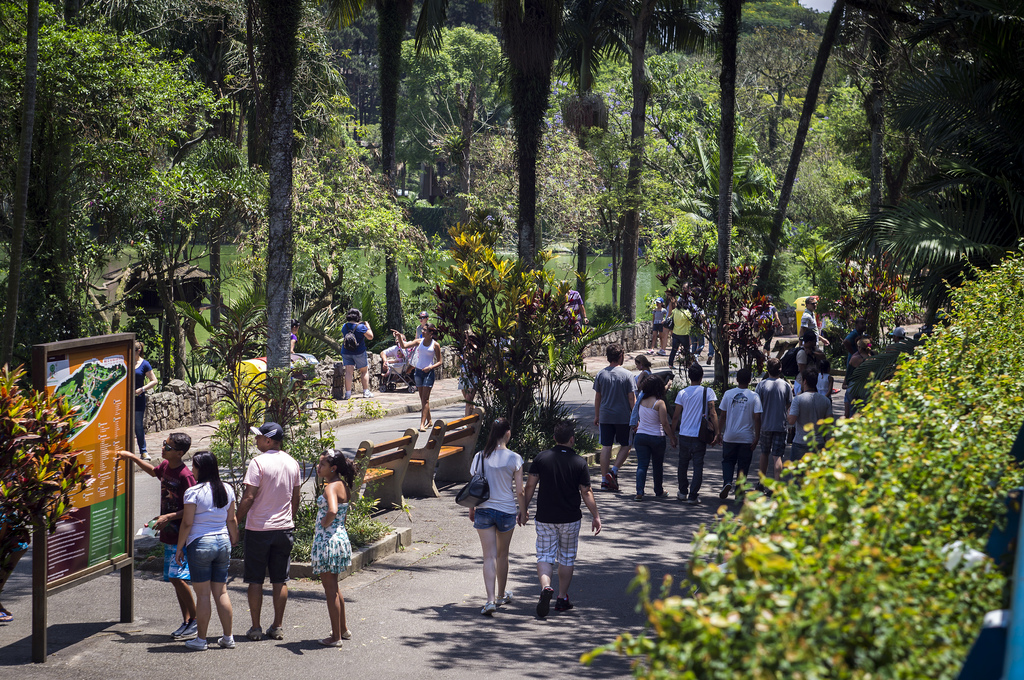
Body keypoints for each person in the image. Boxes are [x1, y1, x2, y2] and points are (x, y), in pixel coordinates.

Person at [116, 433, 197, 640]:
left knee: (177, 577)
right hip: (169, 533)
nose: (163, 448)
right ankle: (187, 621)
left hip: (182, 535)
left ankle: (195, 621)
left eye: (167, 447)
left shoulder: (185, 475)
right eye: (163, 444)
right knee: (174, 579)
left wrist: (169, 516)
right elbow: (153, 472)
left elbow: (192, 509)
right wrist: (133, 458)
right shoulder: (166, 467)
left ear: (180, 453)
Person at [521, 420, 601, 617]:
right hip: (570, 518)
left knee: (544, 555)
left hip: (545, 517)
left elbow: (529, 486)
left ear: (555, 438)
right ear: (572, 439)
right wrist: (596, 515)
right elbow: (586, 491)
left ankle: (546, 587)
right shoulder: (579, 462)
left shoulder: (541, 458)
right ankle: (562, 597)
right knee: (566, 557)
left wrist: (523, 509)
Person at [235, 422, 301, 642]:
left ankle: (255, 628)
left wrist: (235, 520)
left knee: (255, 580)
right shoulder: (292, 463)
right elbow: (296, 497)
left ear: (269, 440)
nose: (256, 440)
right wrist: (289, 518)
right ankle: (278, 626)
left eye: (259, 437)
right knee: (280, 580)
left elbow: (249, 497)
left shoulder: (258, 463)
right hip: (284, 529)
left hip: (259, 529)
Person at [175, 451, 238, 651]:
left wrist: (179, 547)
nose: (192, 469)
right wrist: (234, 538)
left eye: (194, 466)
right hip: (223, 542)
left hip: (201, 543)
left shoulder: (193, 492)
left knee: (203, 595)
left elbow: (187, 522)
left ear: (201, 469)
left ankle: (201, 640)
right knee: (221, 592)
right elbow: (231, 519)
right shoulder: (227, 488)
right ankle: (228, 638)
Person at [467, 418, 524, 616]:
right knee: (502, 555)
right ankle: (501, 595)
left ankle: (490, 600)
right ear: (508, 433)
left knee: (488, 556)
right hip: (507, 510)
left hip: (483, 509)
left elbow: (475, 486)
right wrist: (523, 511)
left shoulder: (480, 457)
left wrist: (471, 508)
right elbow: (520, 491)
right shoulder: (514, 458)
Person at [312, 450, 356, 646]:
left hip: (328, 541)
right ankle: (343, 629)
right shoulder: (343, 486)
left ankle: (336, 636)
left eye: (322, 464)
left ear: (333, 468)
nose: (318, 467)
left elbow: (333, 510)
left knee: (330, 591)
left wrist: (323, 524)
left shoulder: (330, 487)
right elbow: (342, 515)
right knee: (335, 588)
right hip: (340, 538)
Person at [671, 363, 718, 505]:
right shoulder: (707, 392)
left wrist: (672, 435)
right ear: (702, 376)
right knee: (698, 466)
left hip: (685, 434)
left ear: (689, 377)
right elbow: (713, 413)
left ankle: (682, 492)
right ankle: (693, 495)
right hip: (699, 435)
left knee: (682, 464)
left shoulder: (682, 393)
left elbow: (675, 416)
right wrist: (717, 432)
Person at [593, 344, 635, 491]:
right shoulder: (627, 375)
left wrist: (597, 415)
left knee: (606, 446)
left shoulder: (600, 374)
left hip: (605, 416)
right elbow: (631, 399)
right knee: (626, 445)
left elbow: (597, 398)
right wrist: (635, 417)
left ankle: (604, 481)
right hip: (623, 417)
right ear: (620, 356)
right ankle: (614, 471)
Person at [717, 367, 762, 499]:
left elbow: (722, 416)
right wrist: (757, 436)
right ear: (749, 380)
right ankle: (740, 491)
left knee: (727, 461)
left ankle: (727, 482)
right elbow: (758, 418)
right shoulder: (754, 396)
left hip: (729, 435)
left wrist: (719, 432)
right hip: (746, 437)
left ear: (737, 379)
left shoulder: (728, 394)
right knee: (744, 464)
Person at [632, 374, 677, 501]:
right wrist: (672, 437)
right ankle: (658, 490)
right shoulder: (659, 403)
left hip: (640, 436)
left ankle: (639, 492)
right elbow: (664, 423)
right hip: (656, 437)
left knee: (642, 465)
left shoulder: (641, 401)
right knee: (657, 466)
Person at [394, 324, 443, 431]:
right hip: (418, 372)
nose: (423, 331)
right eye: (423, 330)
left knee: (425, 399)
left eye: (425, 330)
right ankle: (429, 421)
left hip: (428, 373)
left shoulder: (435, 345)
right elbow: (404, 346)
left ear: (431, 333)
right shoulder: (419, 342)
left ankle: (422, 424)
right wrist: (399, 337)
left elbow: (440, 361)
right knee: (423, 399)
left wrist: (430, 367)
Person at [755, 358, 793, 490]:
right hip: (780, 425)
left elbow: (757, 405)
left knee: (764, 453)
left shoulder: (761, 385)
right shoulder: (786, 385)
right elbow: (789, 404)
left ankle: (761, 482)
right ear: (780, 369)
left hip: (765, 425)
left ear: (767, 370)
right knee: (777, 456)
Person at [788, 369, 833, 466]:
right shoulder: (825, 400)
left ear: (805, 381)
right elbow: (829, 423)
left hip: (800, 441)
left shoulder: (798, 399)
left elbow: (791, 421)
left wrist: (788, 411)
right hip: (818, 442)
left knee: (797, 477)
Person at [340, 308, 375, 400]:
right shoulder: (361, 327)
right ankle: (366, 391)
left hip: (346, 351)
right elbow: (370, 337)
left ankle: (347, 394)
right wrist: (368, 326)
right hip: (359, 352)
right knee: (364, 371)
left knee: (348, 372)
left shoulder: (345, 326)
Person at [133, 341, 159, 460]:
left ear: (138, 351)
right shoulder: (125, 363)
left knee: (138, 425)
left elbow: (154, 380)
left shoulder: (144, 364)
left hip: (138, 399)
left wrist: (142, 389)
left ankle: (143, 451)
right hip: (126, 400)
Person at [843, 337, 874, 417]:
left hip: (854, 387)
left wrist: (845, 383)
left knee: (852, 412)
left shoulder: (855, 358)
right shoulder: (872, 358)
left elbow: (849, 374)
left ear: (860, 348)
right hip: (866, 387)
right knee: (864, 412)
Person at [667, 295, 692, 370]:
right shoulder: (686, 312)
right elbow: (692, 322)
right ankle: (688, 364)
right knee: (687, 350)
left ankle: (670, 364)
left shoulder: (675, 311)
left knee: (674, 349)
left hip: (675, 333)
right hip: (684, 334)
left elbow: (671, 318)